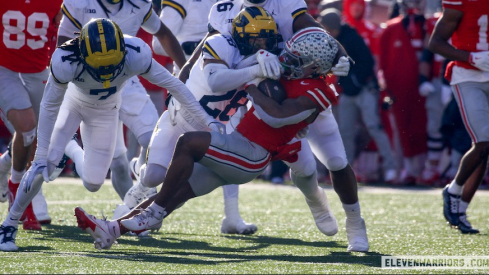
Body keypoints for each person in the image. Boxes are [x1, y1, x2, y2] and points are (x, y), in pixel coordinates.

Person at [75, 27, 368, 252]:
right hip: (238, 147)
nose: (290, 61)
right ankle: (111, 230)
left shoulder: (319, 90)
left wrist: (250, 83)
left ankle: (154, 213)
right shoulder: (296, 73)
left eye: (298, 60)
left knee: (189, 143)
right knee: (177, 193)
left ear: (316, 68)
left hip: (252, 154)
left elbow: (279, 114)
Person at [0, 18, 219, 252]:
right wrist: (42, 153)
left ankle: (72, 147)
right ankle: (8, 226)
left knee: (94, 183)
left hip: (105, 111)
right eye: (99, 65)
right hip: (73, 104)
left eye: (110, 64)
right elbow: (49, 106)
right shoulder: (66, 60)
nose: (105, 72)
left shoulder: (136, 53)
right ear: (82, 52)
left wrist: (208, 122)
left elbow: (175, 86)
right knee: (43, 166)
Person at [178, 0, 368, 251]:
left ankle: (355, 223)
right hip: (263, 90)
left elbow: (315, 30)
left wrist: (341, 55)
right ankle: (313, 197)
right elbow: (209, 42)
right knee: (295, 164)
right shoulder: (225, 8)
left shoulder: (287, 3)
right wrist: (183, 73)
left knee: (335, 159)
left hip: (303, 86)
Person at [121, 0, 259, 234]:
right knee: (163, 169)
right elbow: (159, 43)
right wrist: (200, 50)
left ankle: (232, 215)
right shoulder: (195, 5)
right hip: (196, 77)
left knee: (228, 144)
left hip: (229, 79)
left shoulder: (232, 5)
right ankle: (143, 179)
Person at [56, 0, 187, 200]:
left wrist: (184, 69)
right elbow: (63, 40)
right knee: (115, 164)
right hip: (91, 85)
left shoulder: (137, 4)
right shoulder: (80, 4)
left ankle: (140, 191)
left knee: (153, 139)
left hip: (125, 80)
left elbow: (163, 33)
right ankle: (132, 209)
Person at [0, 0, 63, 230]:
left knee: (38, 138)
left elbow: (66, 29)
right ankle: (17, 189)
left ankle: (11, 174)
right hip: (4, 69)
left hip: (38, 72)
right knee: (27, 128)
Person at [428, 0, 489, 234]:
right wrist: (470, 57)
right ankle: (453, 190)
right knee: (483, 140)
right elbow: (435, 43)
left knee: (485, 148)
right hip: (468, 75)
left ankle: (461, 209)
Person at [319, 8, 398, 184]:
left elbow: (367, 62)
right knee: (344, 131)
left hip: (364, 88)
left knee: (374, 126)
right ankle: (345, 171)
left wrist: (355, 81)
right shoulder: (334, 38)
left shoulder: (351, 37)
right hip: (348, 91)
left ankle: (391, 168)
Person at [378, 0, 428, 185]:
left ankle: (425, 168)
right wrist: (386, 87)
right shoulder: (392, 28)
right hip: (398, 88)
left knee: (425, 128)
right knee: (401, 130)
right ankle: (406, 168)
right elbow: (382, 63)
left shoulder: (430, 25)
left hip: (423, 87)